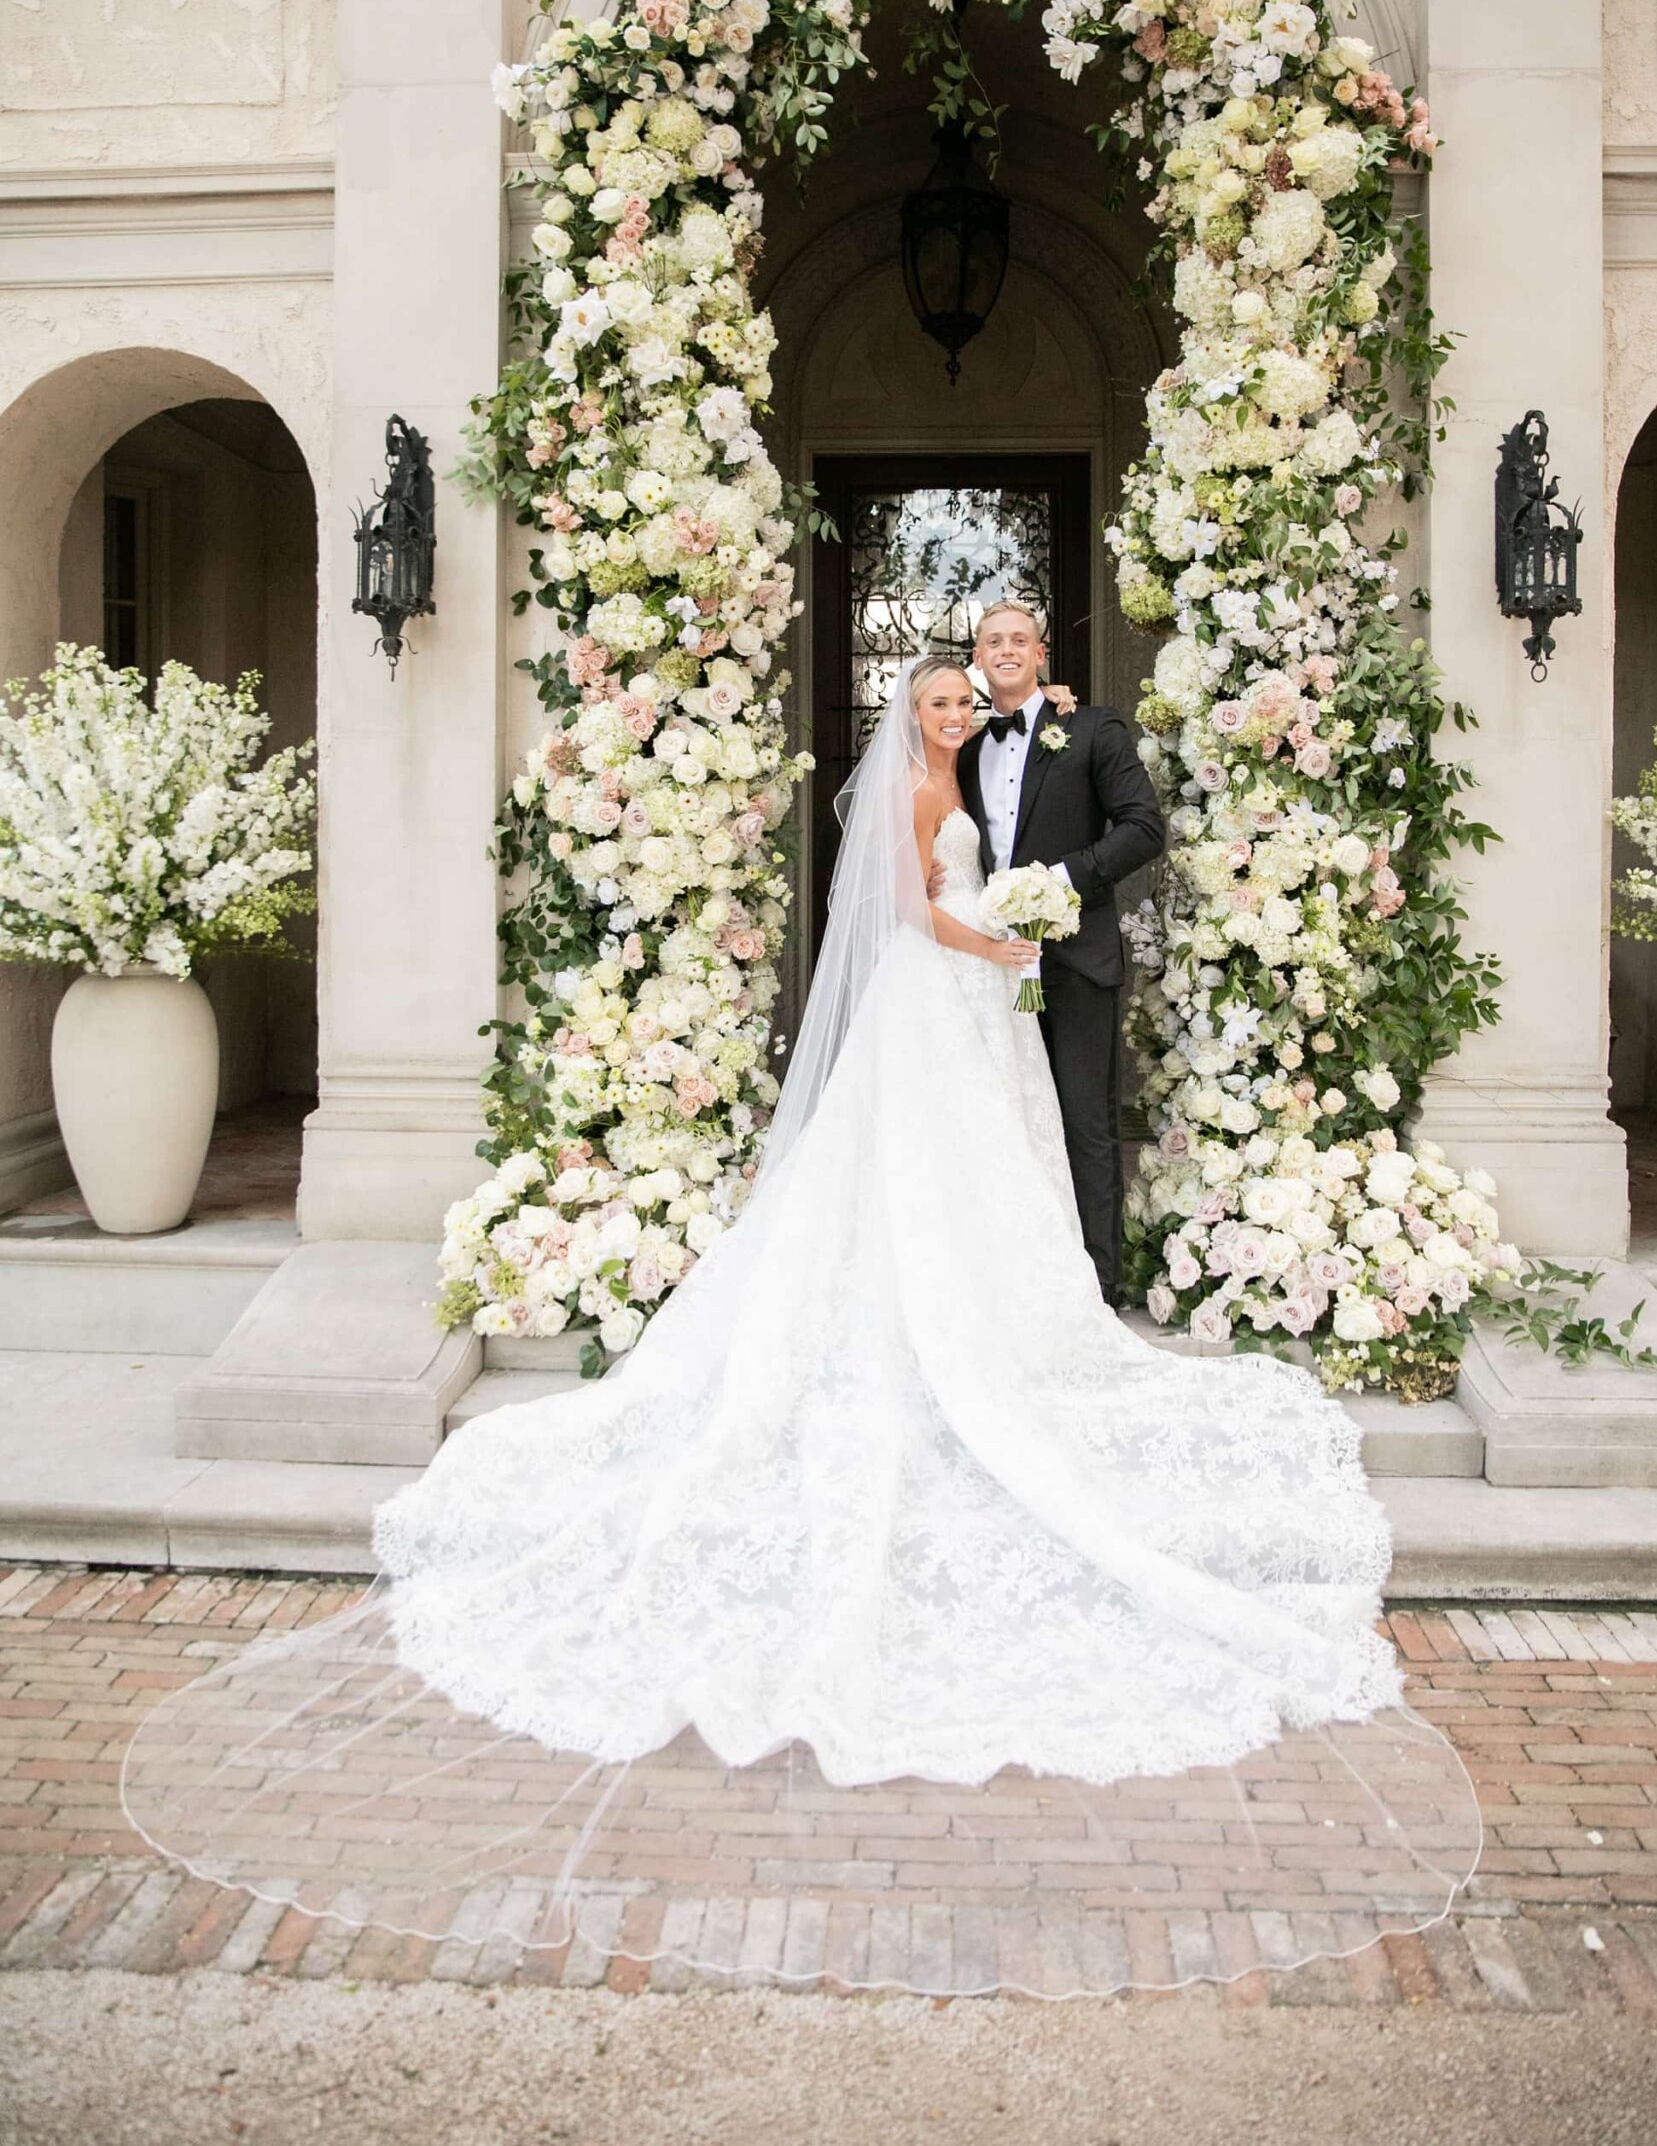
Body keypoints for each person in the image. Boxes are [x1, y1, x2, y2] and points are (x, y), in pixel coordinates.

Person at [122, 655, 1477, 1998]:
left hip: (978, 1011)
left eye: (964, 701)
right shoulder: (901, 791)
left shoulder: (1009, 754)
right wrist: (996, 935)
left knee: (989, 1182)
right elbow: (904, 910)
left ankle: (1007, 1331)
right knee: (904, 1187)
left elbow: (1045, 830)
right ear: (913, 711)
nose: (953, 715)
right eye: (939, 702)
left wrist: (1009, 905)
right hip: (936, 996)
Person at [949, 604, 1164, 1299]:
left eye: (1018, 639)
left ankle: (1097, 1289)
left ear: (1041, 654)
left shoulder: (1093, 727)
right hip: (992, 966)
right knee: (1006, 1125)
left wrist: (1058, 882)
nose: (1005, 650)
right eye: (992, 642)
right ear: (976, 661)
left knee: (1084, 1125)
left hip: (1077, 959)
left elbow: (1142, 828)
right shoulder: (965, 747)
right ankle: (1020, 1287)